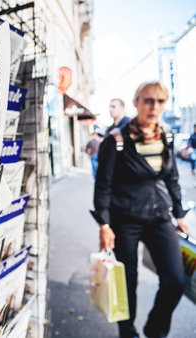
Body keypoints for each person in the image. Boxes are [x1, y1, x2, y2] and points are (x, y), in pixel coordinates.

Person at [92, 81, 189, 338]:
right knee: (127, 282)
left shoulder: (166, 136)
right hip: (125, 220)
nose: (154, 106)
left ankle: (154, 331)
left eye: (160, 101)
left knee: (175, 280)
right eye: (148, 100)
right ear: (136, 102)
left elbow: (172, 178)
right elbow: (103, 186)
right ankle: (128, 332)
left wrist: (179, 213)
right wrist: (104, 224)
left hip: (159, 217)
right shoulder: (116, 139)